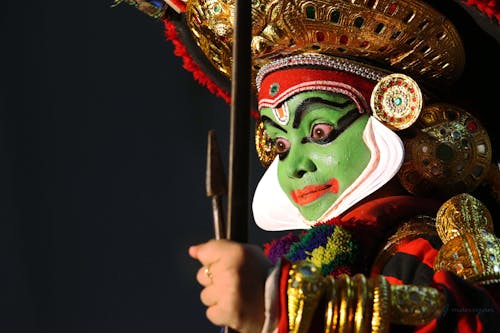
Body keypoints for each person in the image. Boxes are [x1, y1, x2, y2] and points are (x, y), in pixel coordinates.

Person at [117, 0, 500, 331]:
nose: (295, 167)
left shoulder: (438, 243)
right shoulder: (322, 259)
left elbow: (472, 317)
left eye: (319, 132)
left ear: (393, 114)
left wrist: (283, 304)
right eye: (281, 145)